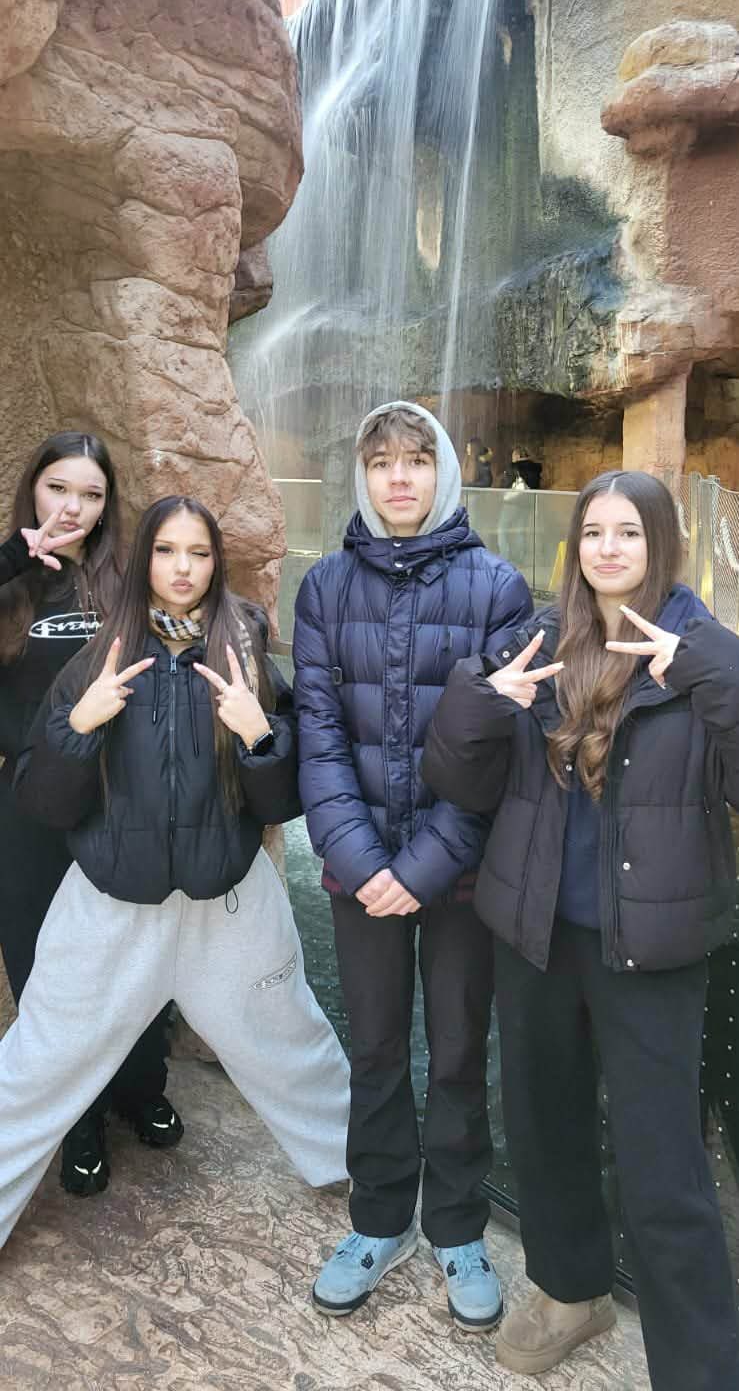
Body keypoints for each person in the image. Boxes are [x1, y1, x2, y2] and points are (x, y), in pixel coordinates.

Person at [422, 469, 739, 1390]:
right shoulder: (537, 643)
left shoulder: (703, 650)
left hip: (651, 947)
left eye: (628, 532)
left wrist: (705, 671)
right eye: (593, 531)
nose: (608, 548)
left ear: (661, 544)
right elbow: (455, 779)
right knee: (543, 1128)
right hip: (536, 936)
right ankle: (570, 1290)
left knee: (662, 1165)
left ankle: (700, 1365)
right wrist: (479, 702)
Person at [0, 495, 349, 1250]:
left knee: (294, 1043)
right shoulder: (100, 652)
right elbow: (43, 800)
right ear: (143, 560)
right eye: (165, 550)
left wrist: (259, 738)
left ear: (216, 561)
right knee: (37, 1061)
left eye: (198, 552)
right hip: (110, 902)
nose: (182, 568)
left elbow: (281, 803)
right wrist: (78, 726)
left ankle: (368, 1179)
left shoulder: (245, 649)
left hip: (228, 903)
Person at [293, 401, 532, 1330]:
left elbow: (496, 756)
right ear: (362, 476)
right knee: (377, 1046)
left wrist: (422, 867)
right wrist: (360, 863)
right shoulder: (323, 588)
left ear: (444, 472)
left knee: (461, 1050)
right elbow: (318, 738)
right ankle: (378, 1217)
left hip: (461, 874)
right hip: (357, 872)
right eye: (381, 461)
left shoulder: (496, 588)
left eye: (417, 459)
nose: (399, 477)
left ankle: (458, 1227)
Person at [0, 432, 182, 1197]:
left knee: (129, 958)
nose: (72, 507)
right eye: (58, 488)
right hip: (30, 807)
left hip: (114, 804)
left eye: (91, 494)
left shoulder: (123, 582)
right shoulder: (11, 585)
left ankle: (138, 1085)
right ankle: (75, 1116)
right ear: (33, 490)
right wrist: (15, 556)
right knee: (43, 964)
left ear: (109, 506)